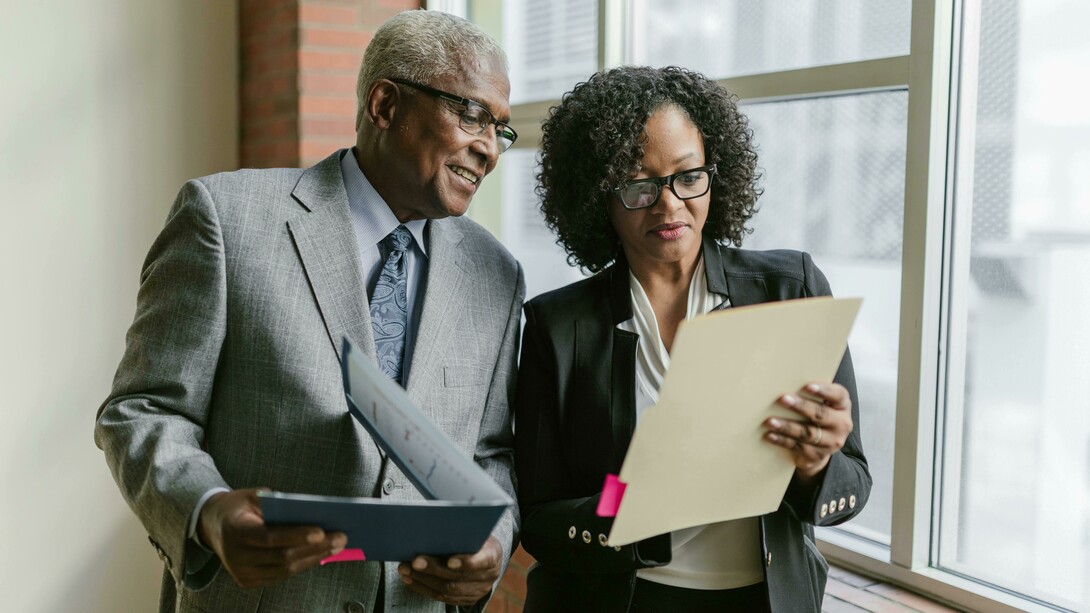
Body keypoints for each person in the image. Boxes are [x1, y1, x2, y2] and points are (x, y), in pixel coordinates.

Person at [95, 10, 524, 613]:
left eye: (501, 130)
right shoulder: (225, 218)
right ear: (385, 105)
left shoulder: (497, 273)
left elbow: (491, 455)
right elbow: (142, 409)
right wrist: (209, 512)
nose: (489, 150)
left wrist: (494, 546)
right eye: (472, 115)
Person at [514, 65, 871, 612]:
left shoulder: (790, 288)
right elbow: (540, 515)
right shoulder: (557, 326)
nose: (669, 205)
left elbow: (853, 483)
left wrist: (816, 464)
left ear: (713, 174)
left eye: (687, 177)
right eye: (639, 184)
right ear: (598, 196)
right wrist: (629, 503)